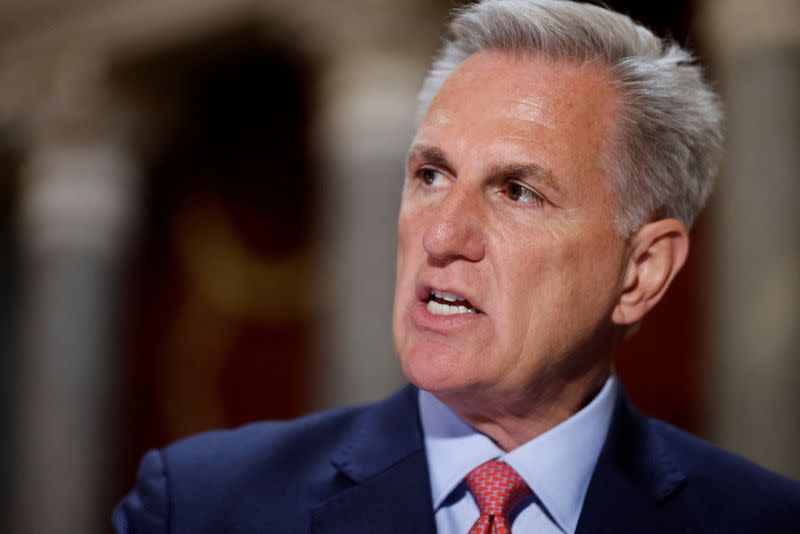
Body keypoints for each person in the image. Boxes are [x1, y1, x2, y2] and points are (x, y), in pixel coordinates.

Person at [114, 1, 800, 532]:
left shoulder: (762, 521)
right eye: (432, 174)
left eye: (517, 191)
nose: (442, 234)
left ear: (642, 272)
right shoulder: (199, 505)